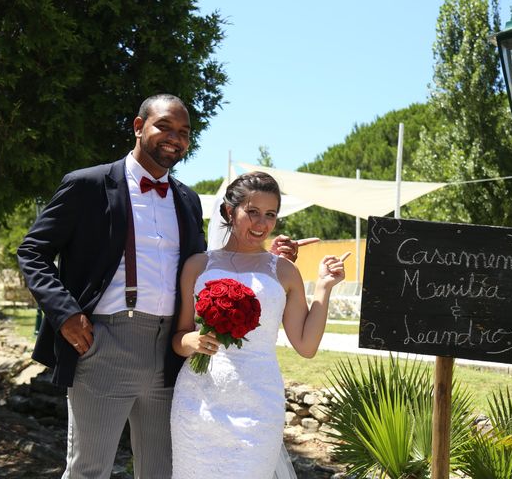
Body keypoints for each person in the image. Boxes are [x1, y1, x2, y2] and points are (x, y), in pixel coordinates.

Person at [17, 94, 303, 478]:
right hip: (104, 344)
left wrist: (267, 253)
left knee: (162, 470)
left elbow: (208, 267)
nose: (175, 138)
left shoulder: (186, 199)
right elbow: (32, 252)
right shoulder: (87, 185)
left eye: (184, 133)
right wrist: (65, 313)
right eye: (164, 127)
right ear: (139, 127)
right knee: (89, 469)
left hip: (172, 355)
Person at [170, 171, 349, 479]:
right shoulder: (197, 266)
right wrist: (192, 342)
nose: (261, 224)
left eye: (270, 215)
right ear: (229, 211)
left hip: (259, 404)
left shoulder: (284, 271)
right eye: (252, 212)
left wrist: (324, 286)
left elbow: (306, 347)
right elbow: (179, 337)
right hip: (197, 404)